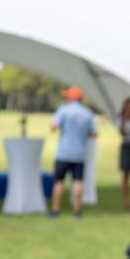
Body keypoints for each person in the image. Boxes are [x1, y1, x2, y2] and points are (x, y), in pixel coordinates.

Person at [49, 86, 97, 218]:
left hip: (63, 153)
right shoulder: (87, 113)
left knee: (58, 181)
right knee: (77, 181)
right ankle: (77, 210)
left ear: (71, 97)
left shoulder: (63, 110)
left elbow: (53, 127)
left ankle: (55, 210)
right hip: (79, 154)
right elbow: (94, 133)